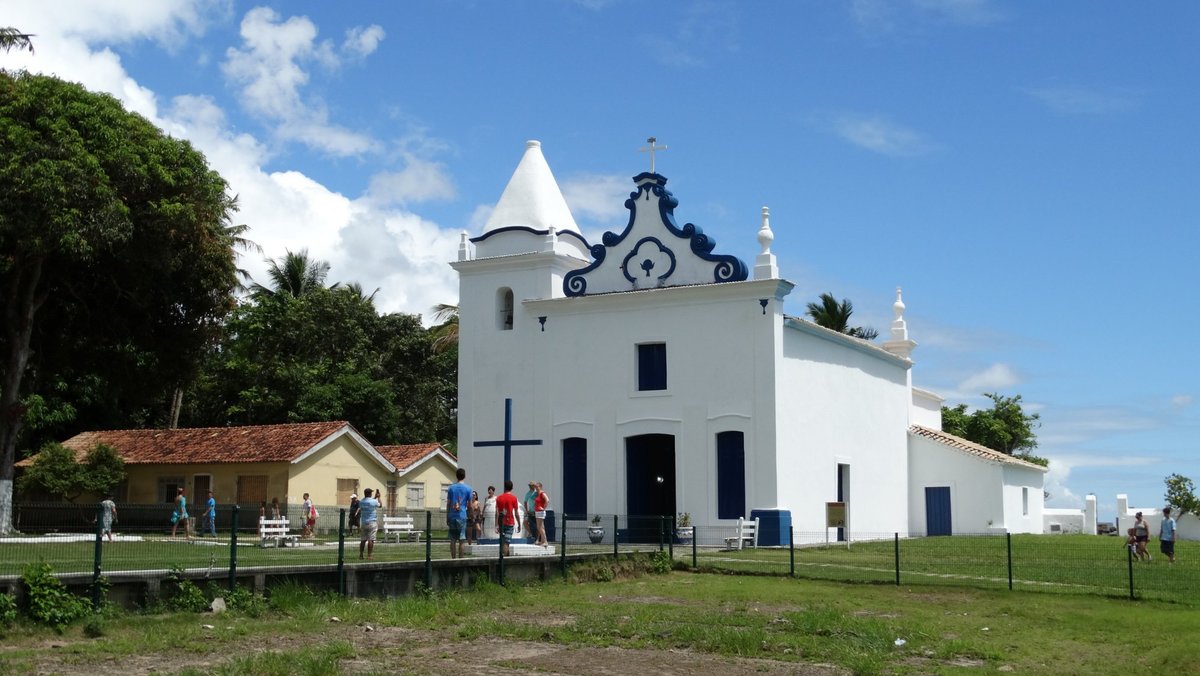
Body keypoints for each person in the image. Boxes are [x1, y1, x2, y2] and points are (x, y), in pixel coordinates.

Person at [446, 468, 473, 558]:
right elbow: (470, 505)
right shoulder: (468, 489)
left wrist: (447, 516)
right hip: (462, 515)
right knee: (462, 539)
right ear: (464, 476)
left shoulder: (451, 488)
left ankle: (453, 558)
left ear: (456, 476)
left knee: (453, 539)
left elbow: (448, 503)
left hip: (452, 515)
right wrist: (471, 514)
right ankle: (461, 558)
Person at [495, 480, 521, 556]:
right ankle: (504, 561)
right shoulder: (514, 498)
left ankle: (504, 557)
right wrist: (519, 523)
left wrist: (496, 524)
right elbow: (516, 513)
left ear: (504, 487)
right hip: (510, 522)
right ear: (512, 488)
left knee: (503, 541)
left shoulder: (499, 498)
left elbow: (496, 512)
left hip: (501, 522)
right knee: (507, 542)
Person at [534, 481, 549, 547]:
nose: (536, 488)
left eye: (537, 487)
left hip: (540, 511)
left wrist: (543, 508)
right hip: (538, 511)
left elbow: (547, 500)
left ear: (540, 487)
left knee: (539, 527)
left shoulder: (542, 493)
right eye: (536, 487)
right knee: (541, 527)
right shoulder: (538, 494)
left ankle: (545, 541)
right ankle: (542, 540)